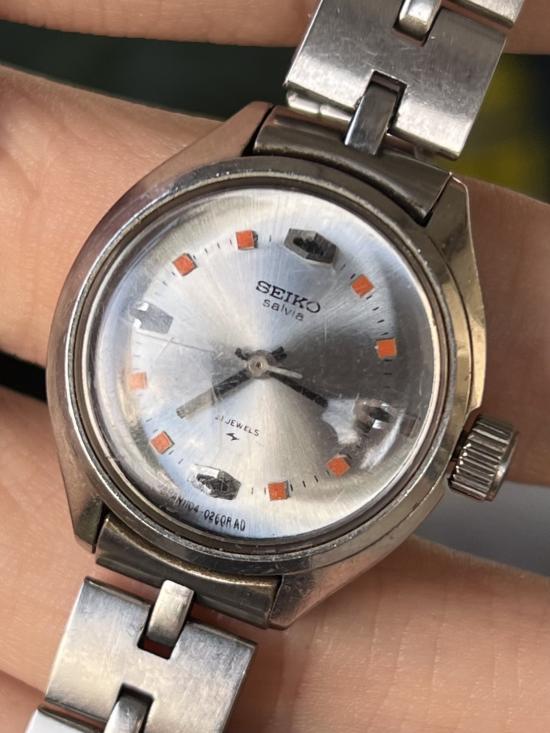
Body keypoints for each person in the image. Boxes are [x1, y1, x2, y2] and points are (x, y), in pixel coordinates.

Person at [0, 1, 549, 730]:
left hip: (245, 553)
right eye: (255, 358)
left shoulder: (411, 220)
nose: (260, 362)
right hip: (145, 510)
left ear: (461, 449)